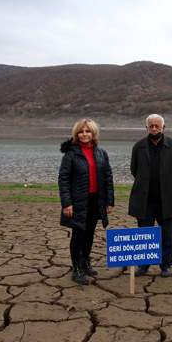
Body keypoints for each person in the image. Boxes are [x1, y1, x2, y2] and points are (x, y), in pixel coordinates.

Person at [58, 118, 114, 285]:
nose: (84, 134)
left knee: (89, 233)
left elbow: (108, 177)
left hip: (95, 200)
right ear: (77, 134)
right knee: (78, 235)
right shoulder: (71, 154)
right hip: (77, 201)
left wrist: (109, 201)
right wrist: (66, 203)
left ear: (93, 133)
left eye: (87, 131)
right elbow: (63, 179)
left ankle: (85, 262)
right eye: (81, 131)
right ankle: (76, 269)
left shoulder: (101, 153)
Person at [128, 114, 172, 277]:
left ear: (163, 128)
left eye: (157, 126)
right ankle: (143, 265)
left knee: (166, 233)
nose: (154, 128)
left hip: (165, 199)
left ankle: (165, 265)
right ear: (146, 128)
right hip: (144, 199)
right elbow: (134, 169)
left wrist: (167, 185)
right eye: (151, 126)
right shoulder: (139, 146)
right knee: (144, 233)